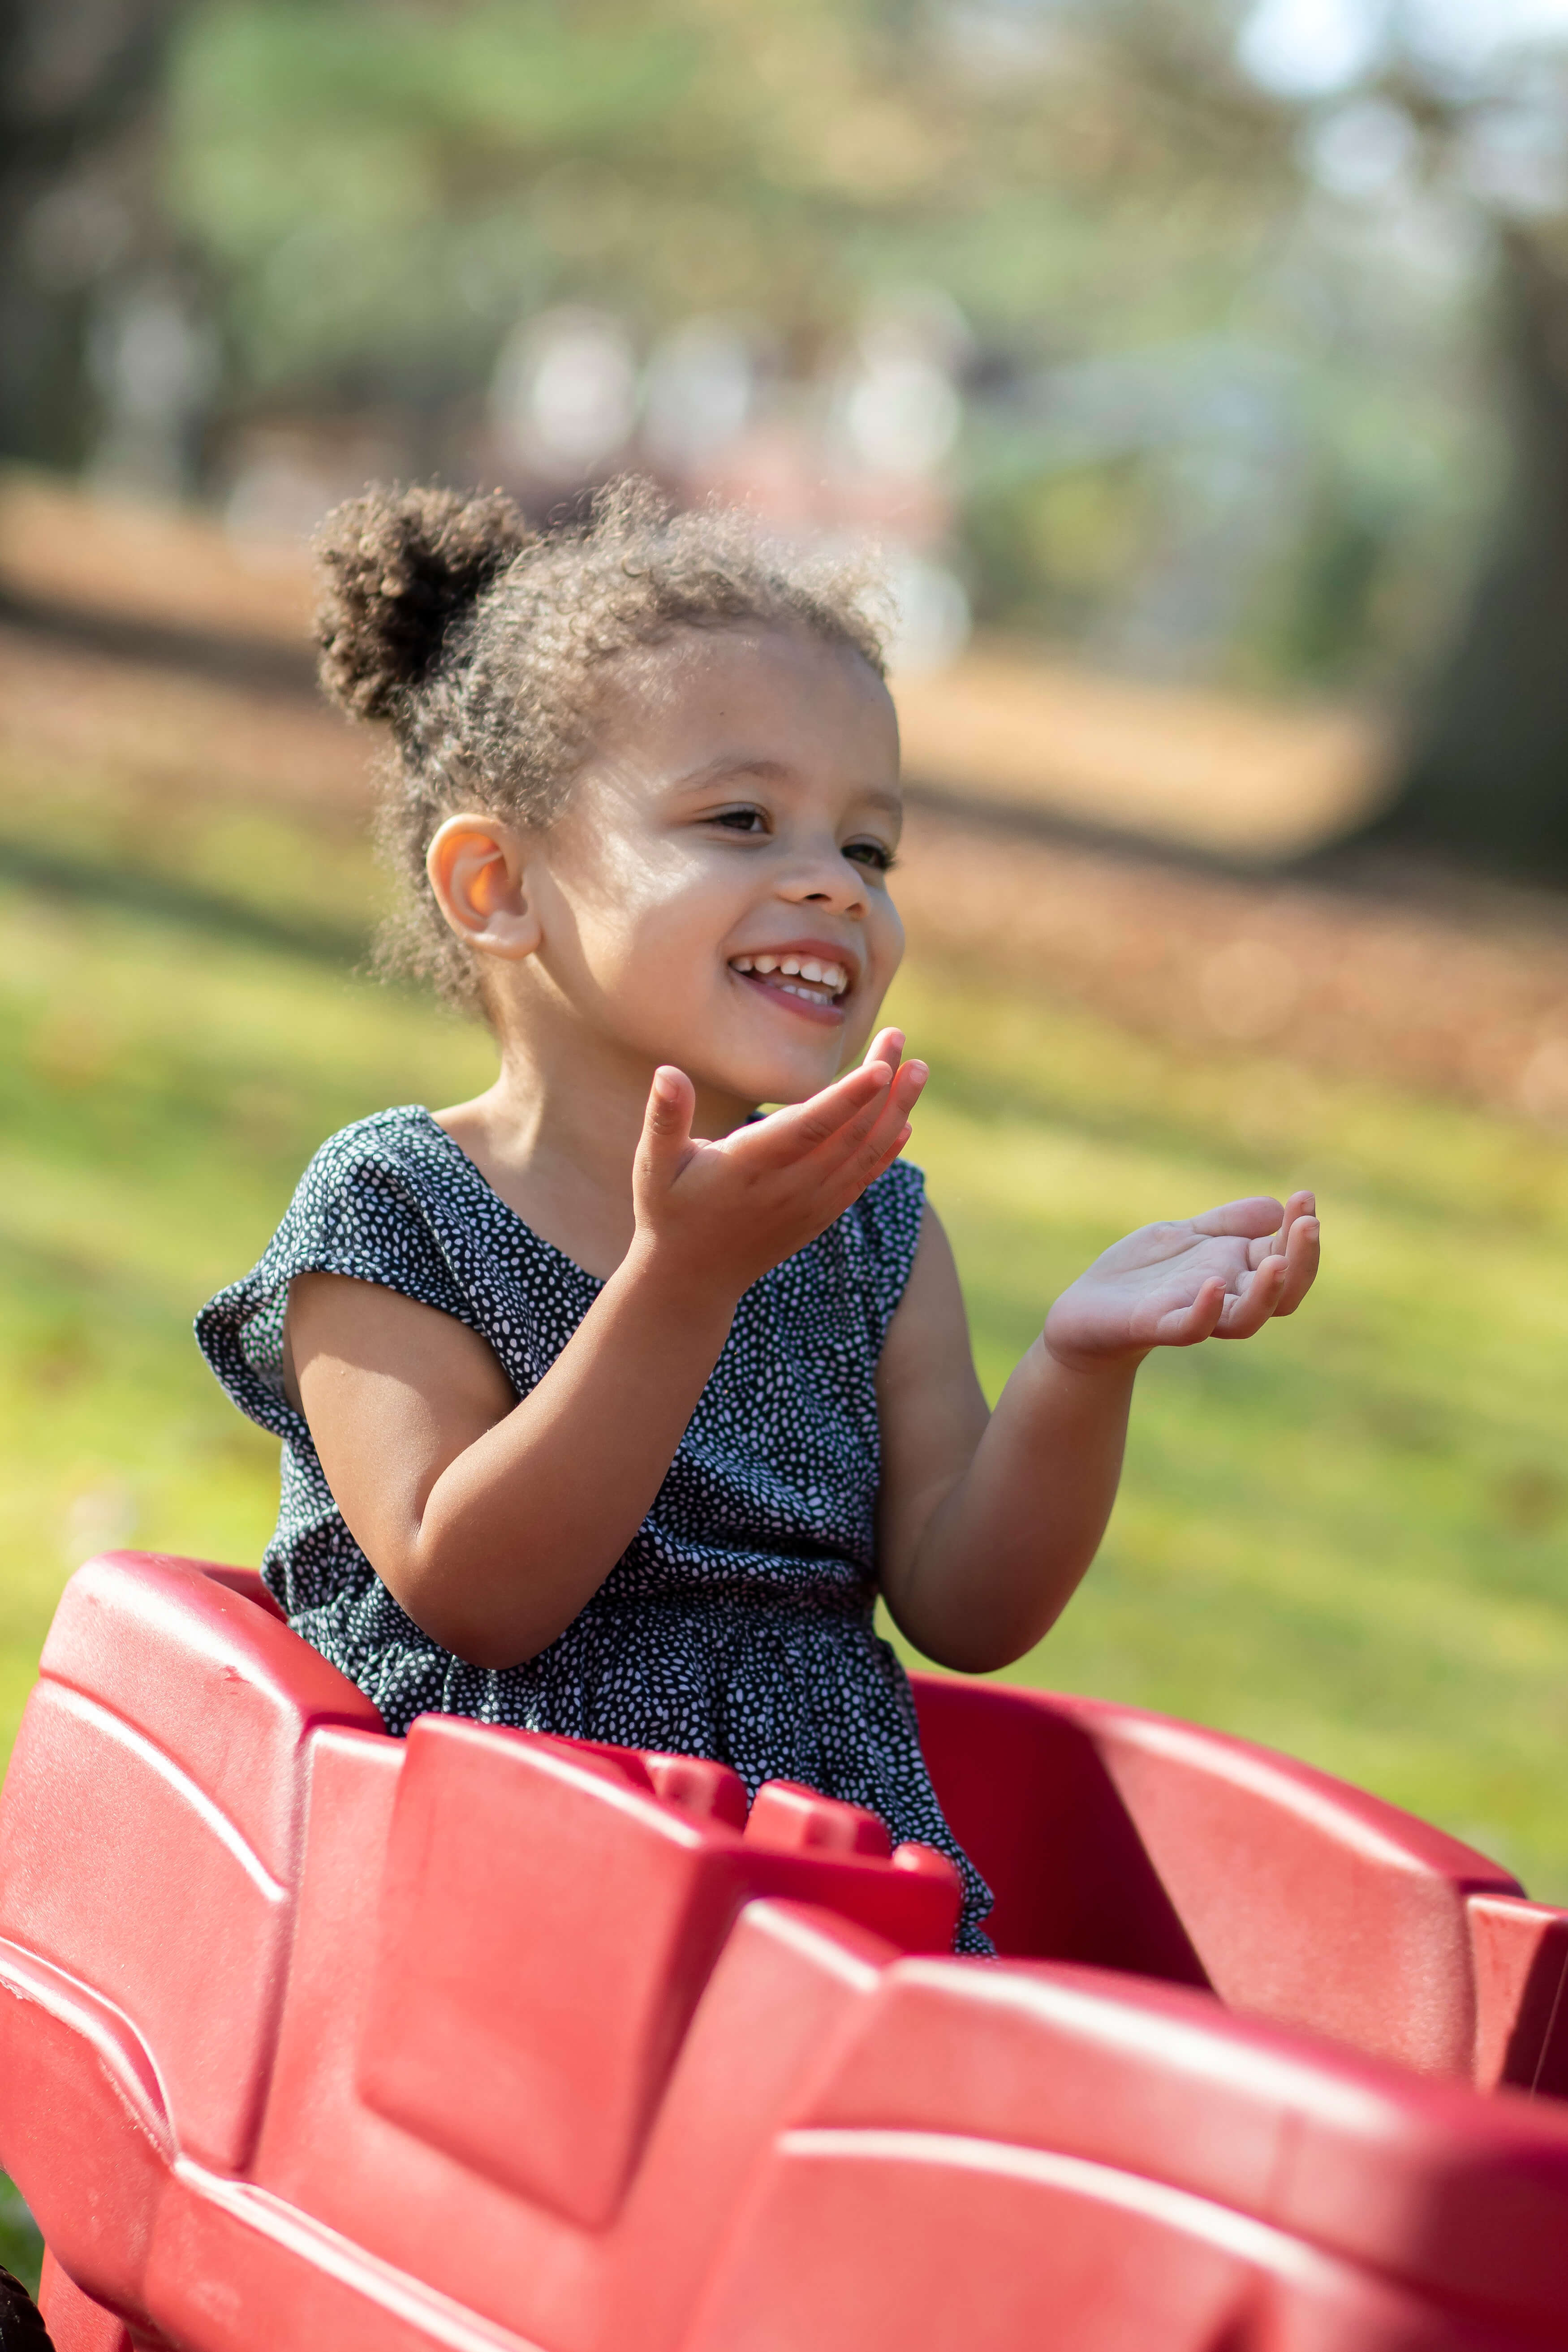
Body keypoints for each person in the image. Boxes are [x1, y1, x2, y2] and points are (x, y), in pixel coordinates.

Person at [197, 482, 1321, 1953]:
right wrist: (684, 1279)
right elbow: (480, 1593)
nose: (831, 887)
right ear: (499, 886)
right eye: (741, 820)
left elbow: (964, 1609)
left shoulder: (869, 1233)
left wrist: (1076, 1367)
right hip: (483, 1894)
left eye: (869, 850)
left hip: (824, 1899)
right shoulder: (397, 1210)